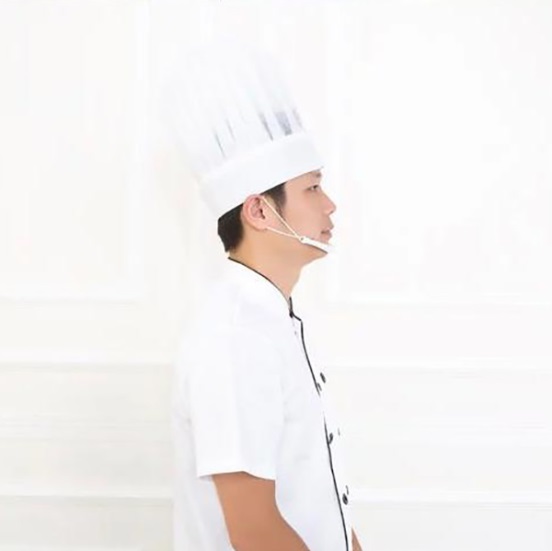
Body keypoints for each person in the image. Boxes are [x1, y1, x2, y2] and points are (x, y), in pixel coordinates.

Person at [169, 38, 363, 551]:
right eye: (312, 188)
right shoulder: (235, 338)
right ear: (259, 211)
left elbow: (320, 499)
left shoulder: (274, 320)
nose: (330, 205)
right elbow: (255, 532)